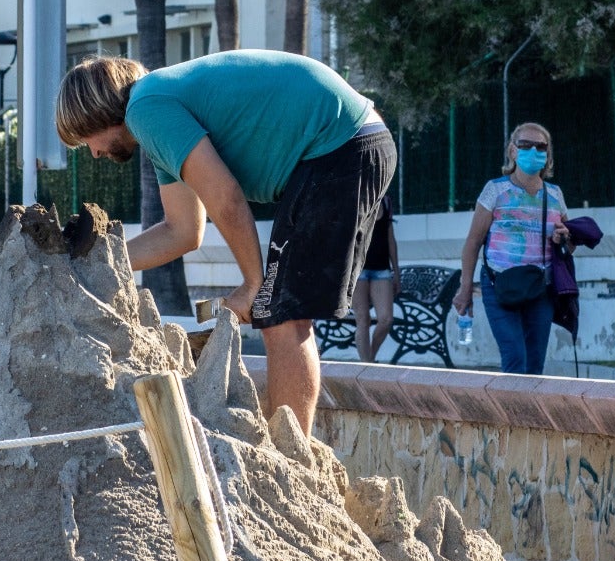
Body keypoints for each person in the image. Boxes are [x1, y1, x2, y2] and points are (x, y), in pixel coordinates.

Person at [55, 49, 396, 436]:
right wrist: (98, 261)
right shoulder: (159, 112)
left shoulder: (146, 108)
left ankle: (291, 460)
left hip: (339, 145)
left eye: (87, 140)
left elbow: (226, 198)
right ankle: (292, 451)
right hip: (350, 142)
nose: (96, 154)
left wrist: (254, 284)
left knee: (279, 314)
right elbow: (183, 231)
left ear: (97, 111)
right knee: (277, 310)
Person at [453, 122, 572, 375]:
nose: (533, 151)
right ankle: (509, 414)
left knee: (535, 360)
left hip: (540, 287)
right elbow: (473, 242)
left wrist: (565, 239)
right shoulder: (495, 190)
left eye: (540, 146)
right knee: (515, 354)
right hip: (500, 284)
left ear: (547, 154)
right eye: (525, 145)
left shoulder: (555, 194)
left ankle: (528, 414)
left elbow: (568, 246)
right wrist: (465, 290)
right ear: (512, 151)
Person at [352, 196, 399, 362]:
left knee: (386, 319)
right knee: (363, 318)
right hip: (358, 270)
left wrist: (396, 272)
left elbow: (390, 239)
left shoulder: (386, 202)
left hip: (381, 269)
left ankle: (370, 359)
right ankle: (367, 364)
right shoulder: (354, 199)